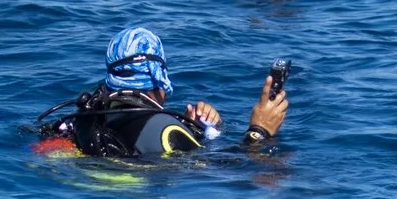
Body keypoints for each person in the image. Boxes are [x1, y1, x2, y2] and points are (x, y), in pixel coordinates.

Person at [32, 26, 290, 160]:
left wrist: (204, 132)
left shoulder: (87, 114)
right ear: (159, 75)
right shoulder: (166, 129)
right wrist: (260, 131)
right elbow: (237, 174)